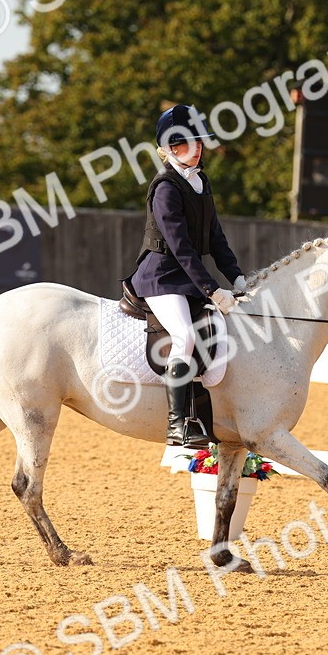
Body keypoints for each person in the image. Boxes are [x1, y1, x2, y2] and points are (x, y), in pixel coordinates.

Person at [124, 104, 248, 448]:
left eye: (199, 143)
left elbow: (216, 237)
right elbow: (180, 247)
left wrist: (236, 277)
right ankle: (178, 424)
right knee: (184, 337)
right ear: (170, 149)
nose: (196, 149)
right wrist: (211, 289)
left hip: (186, 278)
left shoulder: (200, 181)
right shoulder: (166, 187)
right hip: (161, 277)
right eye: (187, 144)